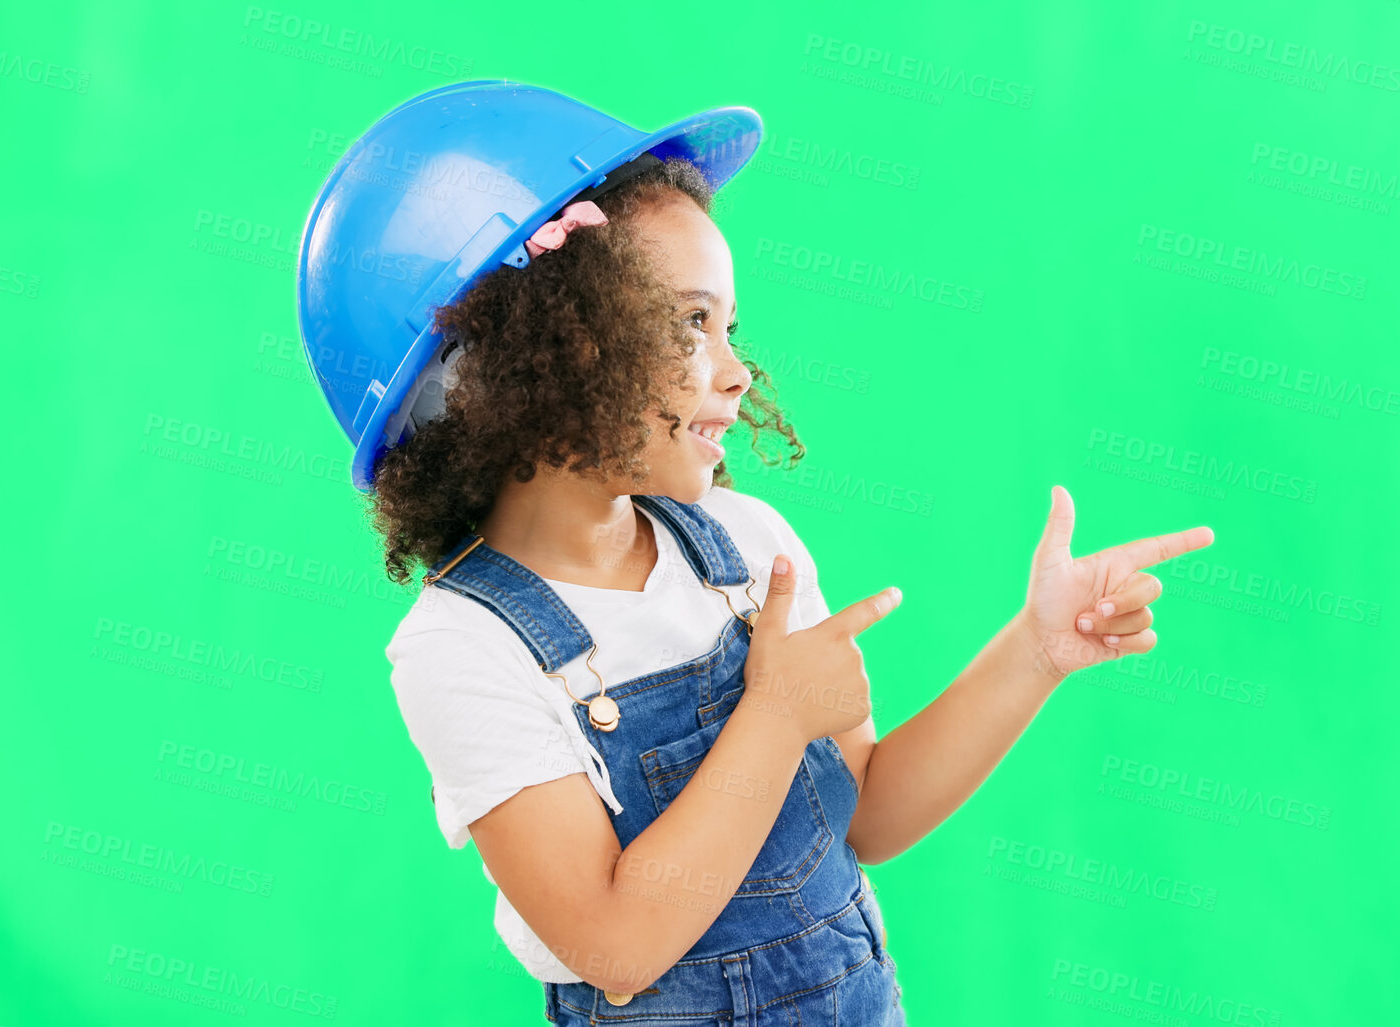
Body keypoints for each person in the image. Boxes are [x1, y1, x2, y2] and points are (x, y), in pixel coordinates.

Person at [297, 81, 1214, 1026]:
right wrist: (774, 712)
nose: (735, 370)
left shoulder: (746, 551)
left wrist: (1035, 650)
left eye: (727, 325)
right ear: (541, 354)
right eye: (687, 323)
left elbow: (868, 815)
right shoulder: (465, 648)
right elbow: (615, 946)